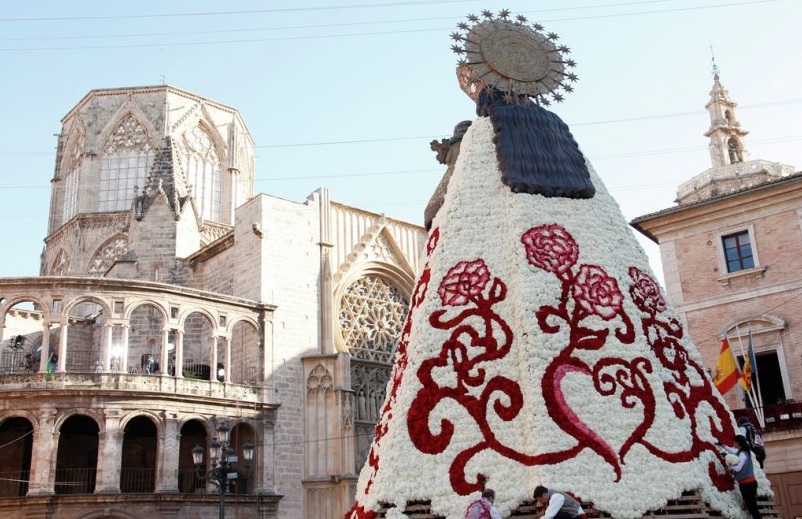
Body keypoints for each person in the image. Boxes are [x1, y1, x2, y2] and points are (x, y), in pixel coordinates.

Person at [722, 435, 762, 519]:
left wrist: (729, 466)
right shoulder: (741, 451)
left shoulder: (743, 454)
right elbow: (733, 451)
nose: (733, 443)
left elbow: (738, 468)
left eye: (734, 442)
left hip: (748, 485)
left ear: (738, 443)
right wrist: (723, 446)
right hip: (745, 484)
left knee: (752, 508)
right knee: (751, 506)